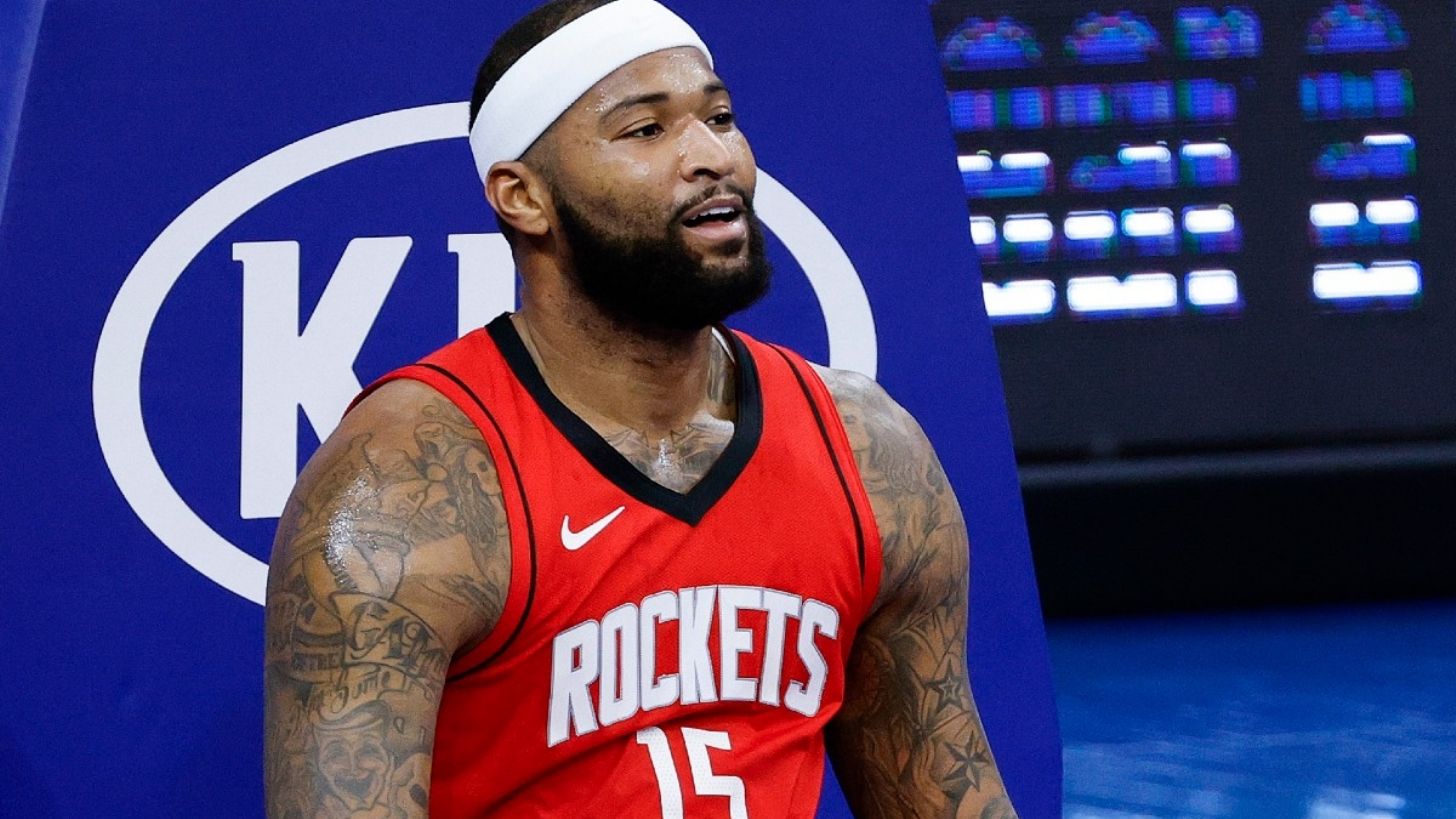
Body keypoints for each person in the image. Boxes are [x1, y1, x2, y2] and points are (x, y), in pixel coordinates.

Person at [263, 1, 1020, 816]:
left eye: (719, 118)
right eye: (647, 131)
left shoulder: (869, 451)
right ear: (524, 197)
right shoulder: (407, 483)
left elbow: (945, 796)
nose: (713, 157)